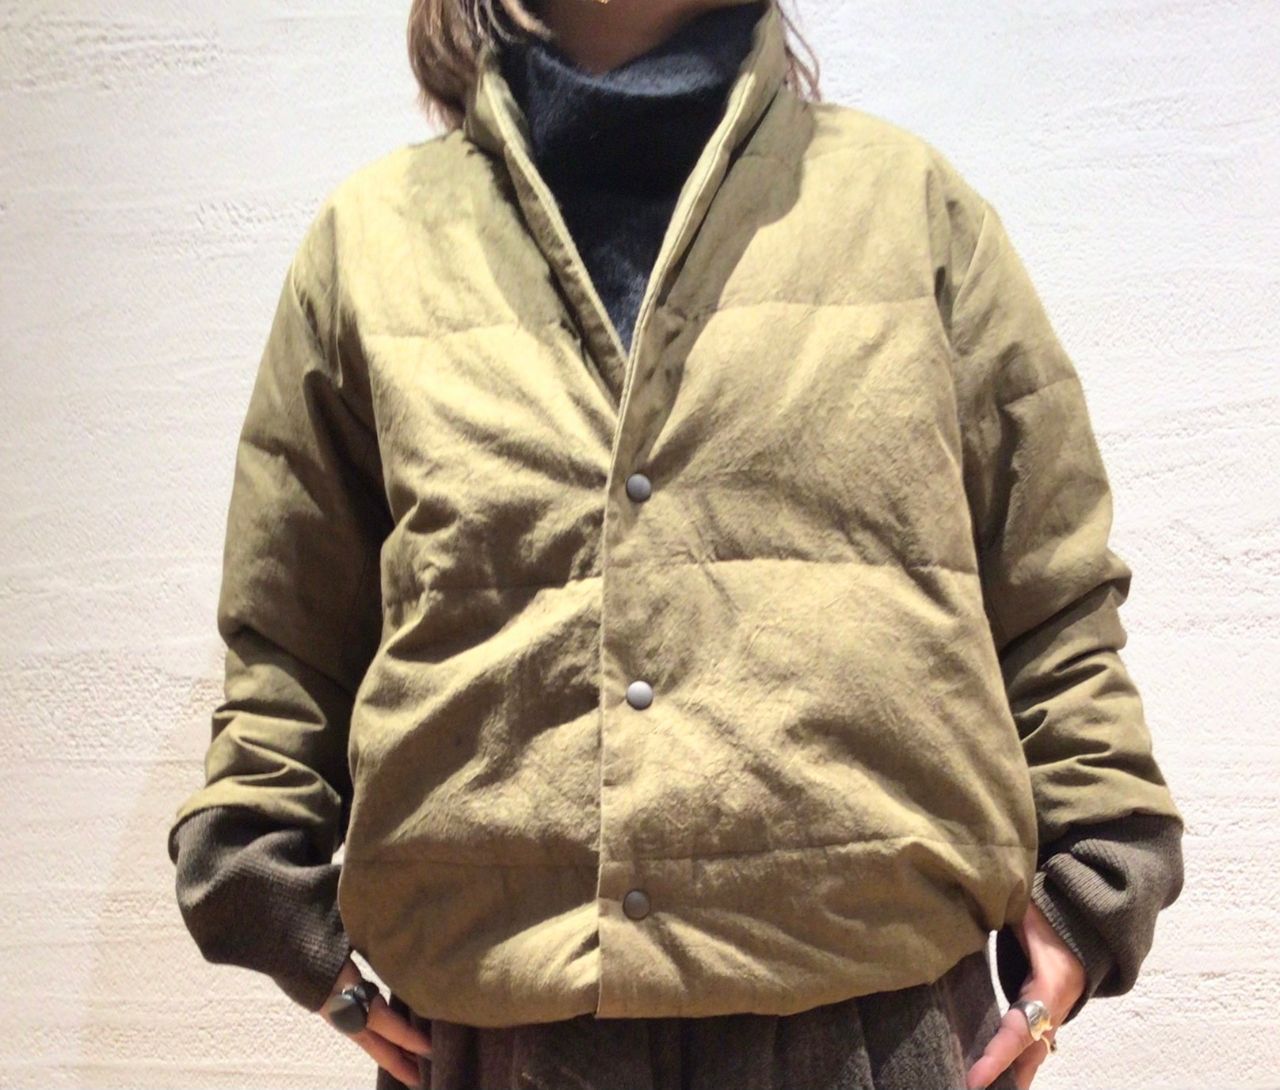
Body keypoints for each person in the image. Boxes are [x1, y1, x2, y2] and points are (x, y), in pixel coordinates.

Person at [166, 2, 1186, 1088]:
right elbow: (290, 636)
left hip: (871, 1031)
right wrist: (272, 895)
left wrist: (1091, 885)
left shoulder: (910, 213)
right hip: (506, 1037)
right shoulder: (375, 245)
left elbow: (1049, 588)